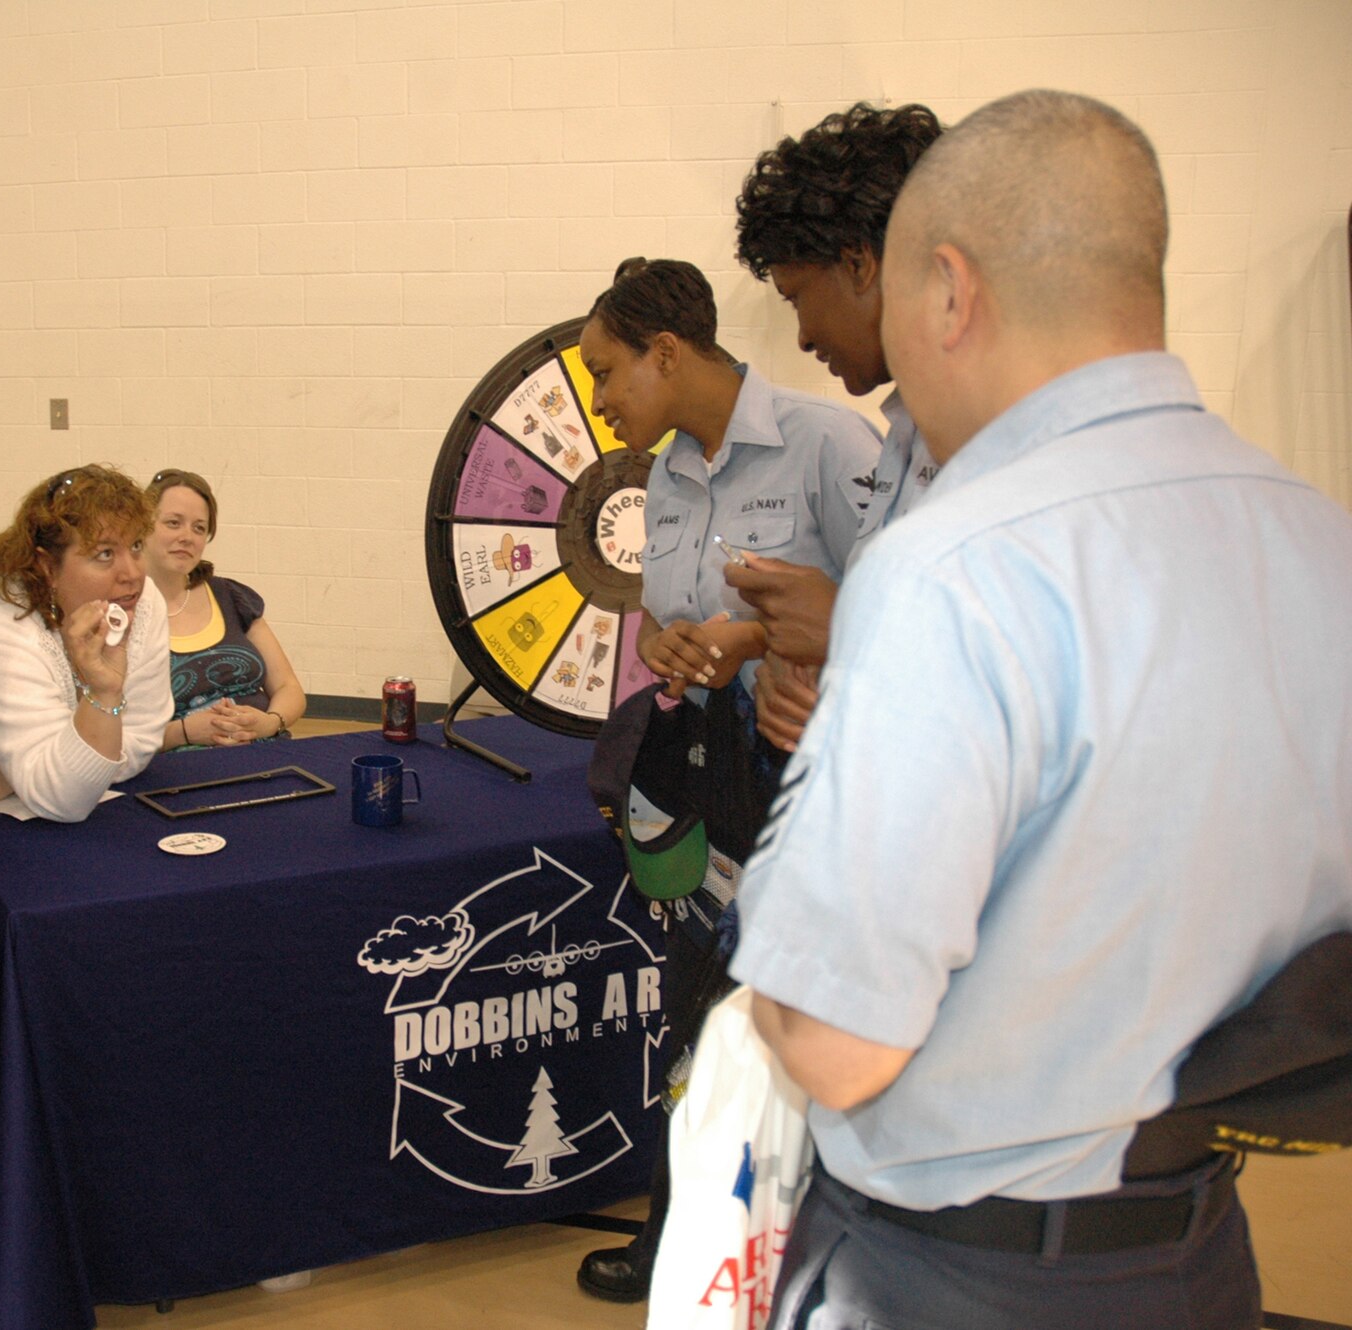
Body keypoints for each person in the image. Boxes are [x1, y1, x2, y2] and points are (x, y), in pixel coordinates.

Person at [730, 90, 1352, 1330]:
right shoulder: (1314, 540)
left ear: (948, 292)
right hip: (1193, 1252)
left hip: (950, 1272)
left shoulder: (952, 568)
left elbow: (835, 1039)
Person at [572, 257, 879, 1303]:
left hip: (803, 797)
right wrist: (668, 645)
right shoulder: (662, 474)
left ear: (666, 351)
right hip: (701, 792)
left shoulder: (827, 443)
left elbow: (898, 608)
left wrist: (758, 639)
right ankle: (683, 1242)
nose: (600, 400)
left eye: (608, 372)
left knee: (783, 1032)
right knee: (693, 1019)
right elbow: (667, 616)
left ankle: (799, 1259)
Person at [724, 101, 944, 753]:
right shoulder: (910, 435)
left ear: (858, 264)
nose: (802, 335)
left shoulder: (1006, 438)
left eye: (797, 298)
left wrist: (846, 625)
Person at [0, 464, 172, 822]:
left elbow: (143, 740)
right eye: (105, 553)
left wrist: (18, 770)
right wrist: (105, 695)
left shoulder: (143, 598)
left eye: (136, 546)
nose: (133, 573)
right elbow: (61, 801)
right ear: (47, 567)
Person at [143, 468, 306, 749]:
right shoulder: (119, 614)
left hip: (265, 750)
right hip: (180, 769)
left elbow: (288, 688)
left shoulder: (230, 596)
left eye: (199, 528)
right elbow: (111, 742)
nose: (187, 536)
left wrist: (269, 722)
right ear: (142, 526)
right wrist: (183, 732)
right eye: (173, 523)